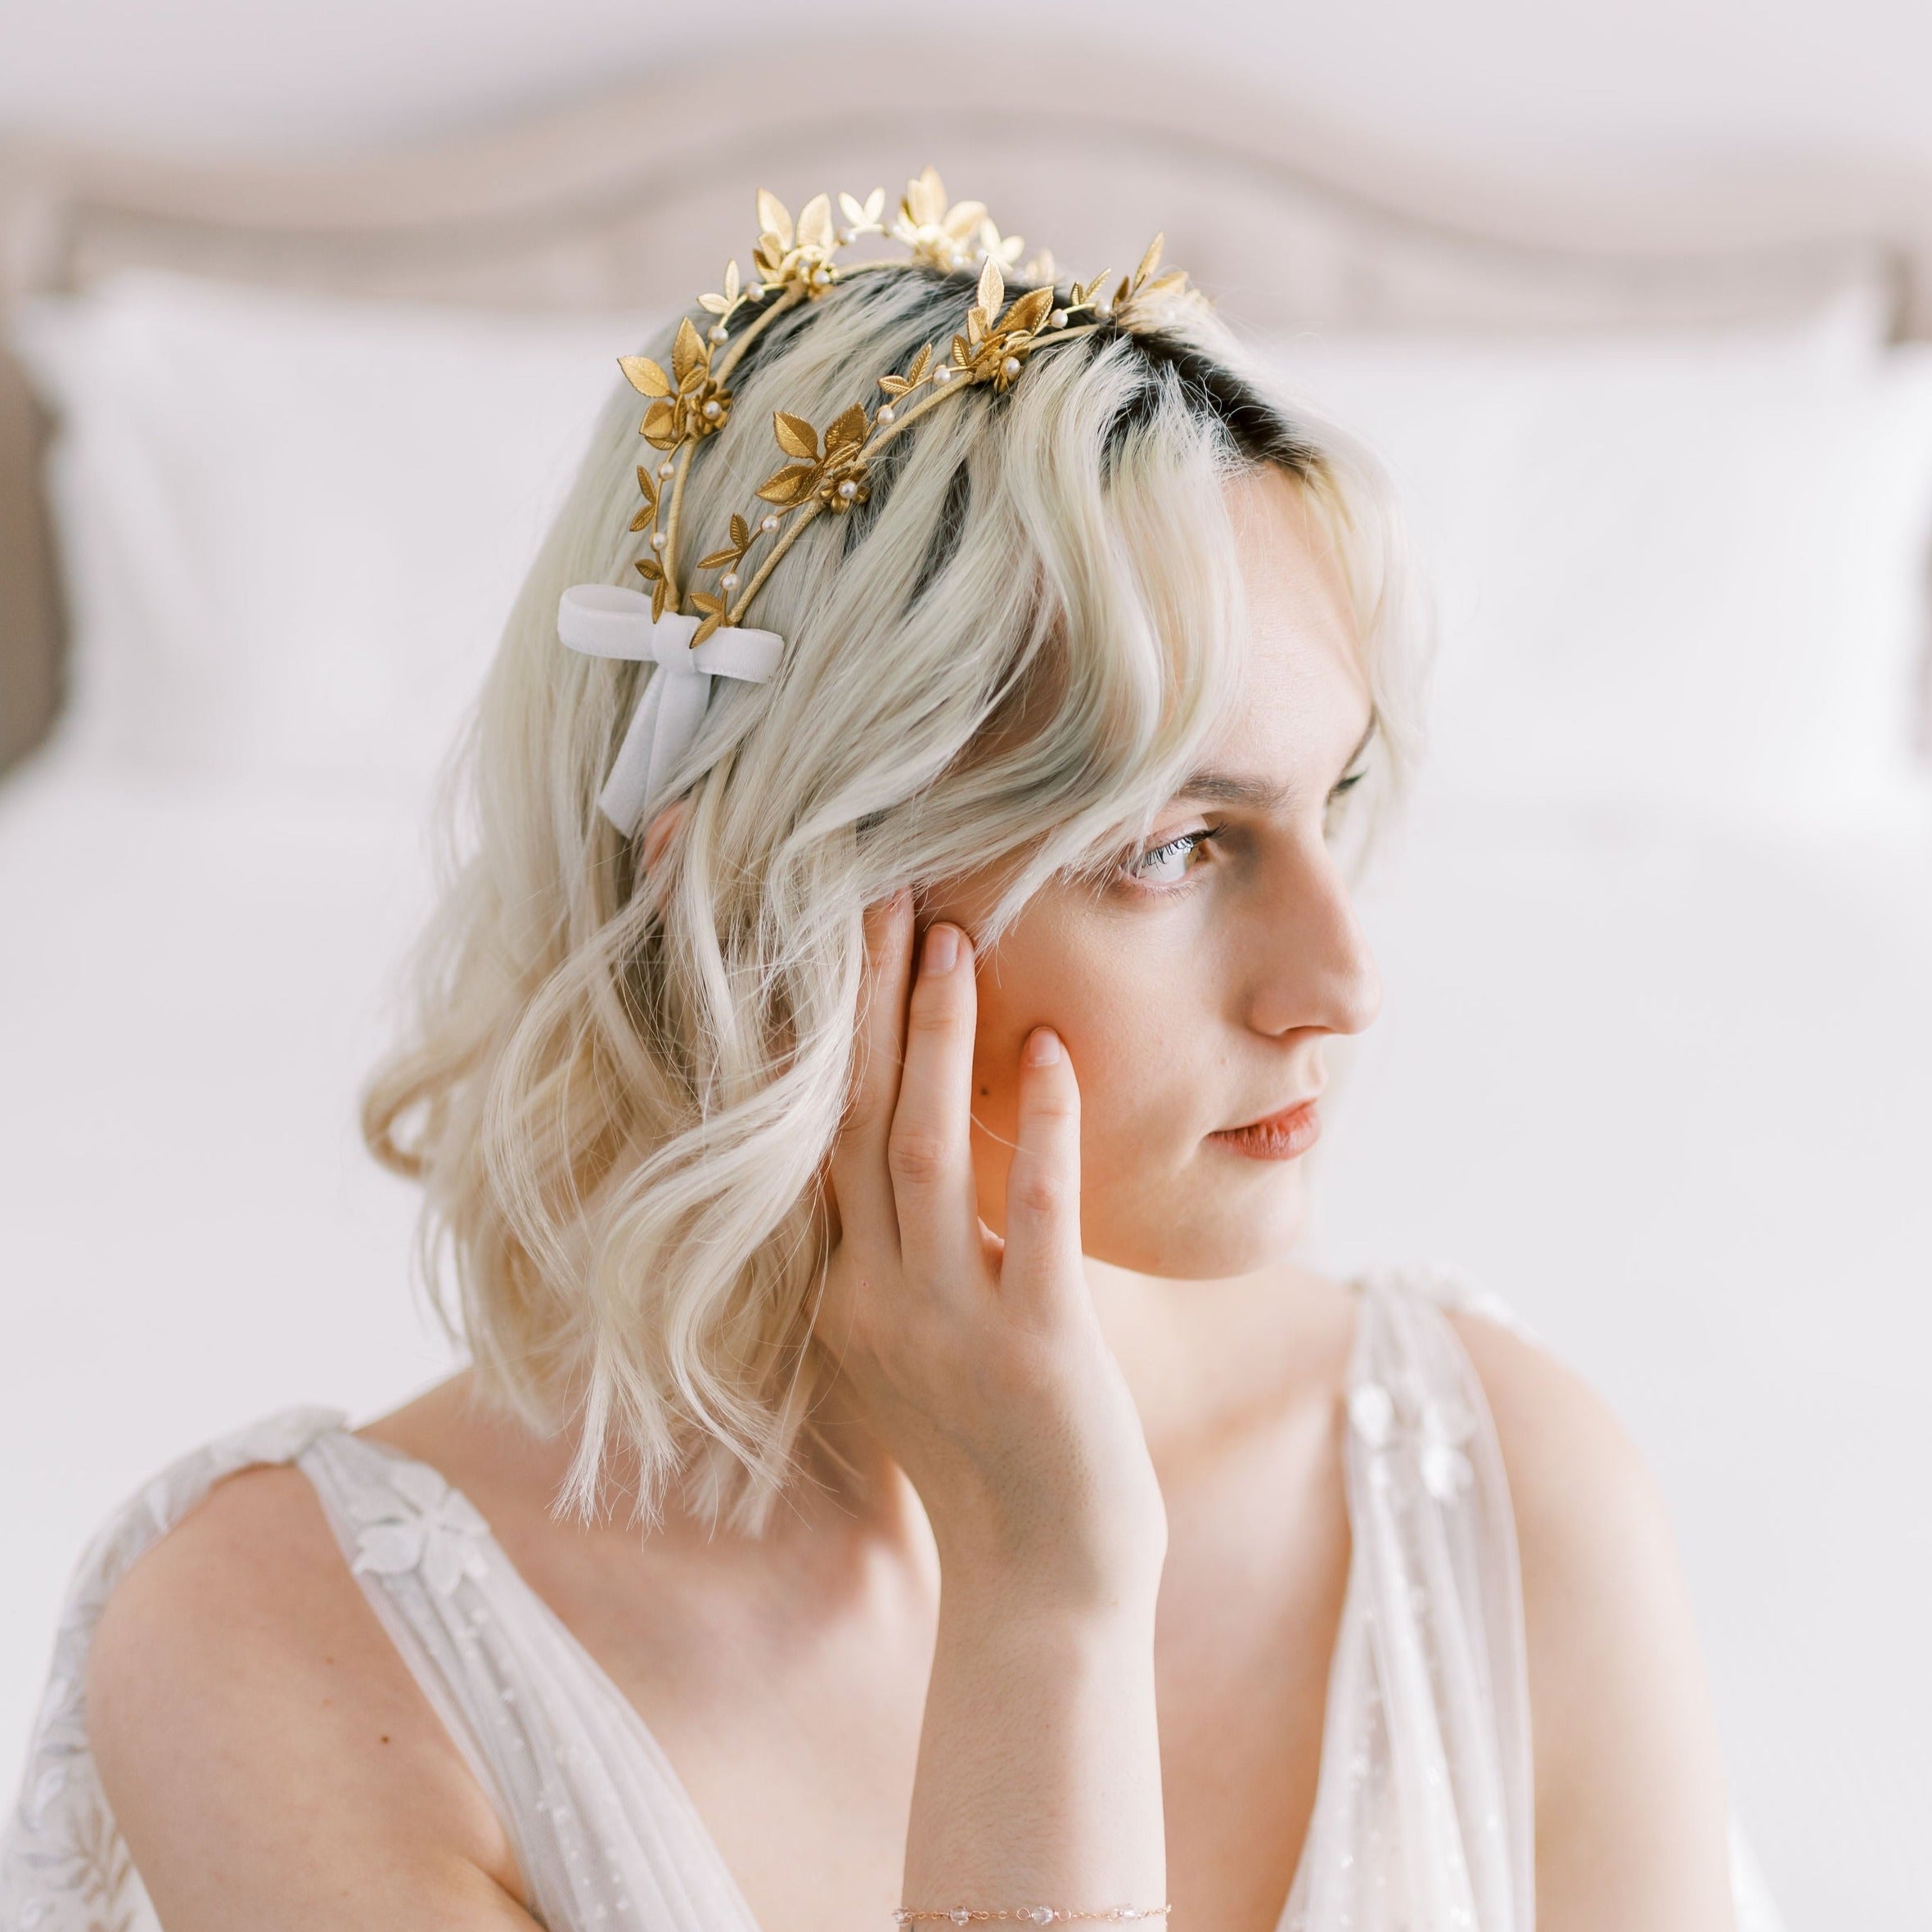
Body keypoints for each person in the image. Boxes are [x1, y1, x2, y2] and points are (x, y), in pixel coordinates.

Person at [2, 173, 1773, 1932]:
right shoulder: (284, 1645)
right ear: (766, 906)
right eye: (1170, 845)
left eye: (1336, 799)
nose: (1341, 981)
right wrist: (1042, 1611)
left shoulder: (1490, 1487)